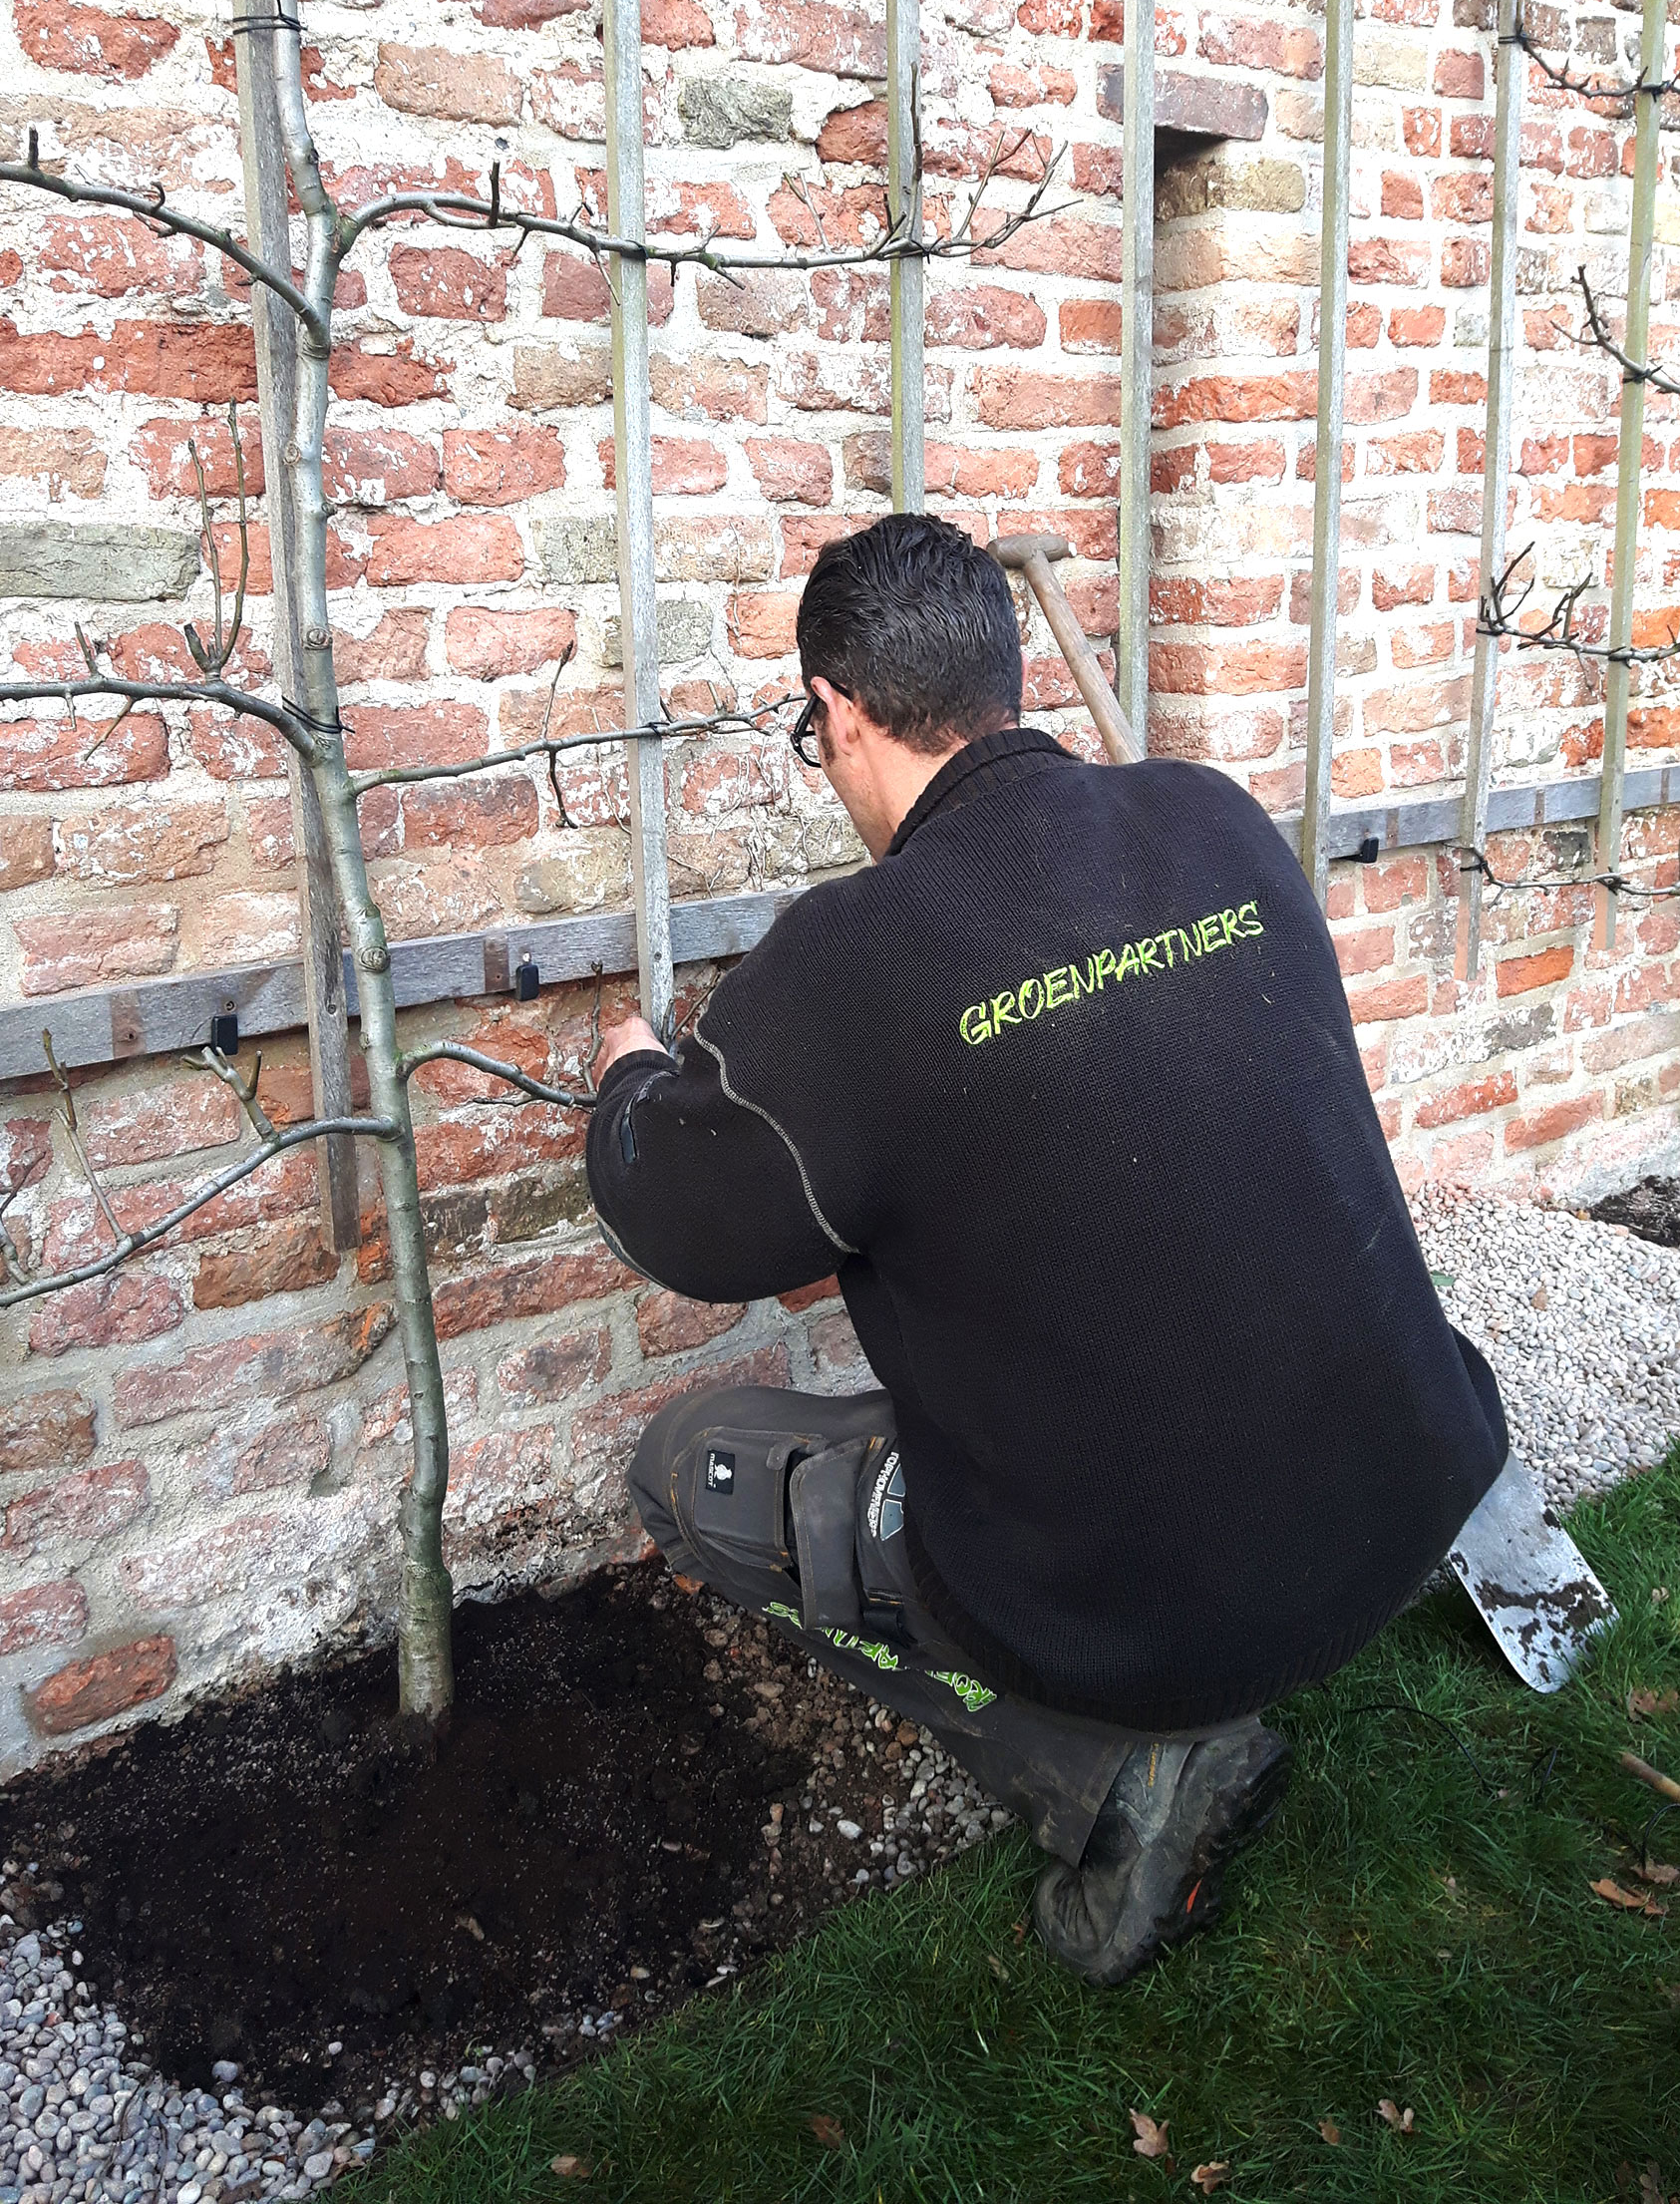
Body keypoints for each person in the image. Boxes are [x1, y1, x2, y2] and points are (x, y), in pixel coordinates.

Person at [582, 513, 1508, 1987]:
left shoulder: (854, 962)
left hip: (1172, 1622)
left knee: (692, 1468)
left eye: (815, 734)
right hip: (1410, 1481)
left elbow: (677, 1219)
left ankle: (1120, 1778)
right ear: (1003, 675)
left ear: (837, 712)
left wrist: (630, 1074)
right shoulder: (1214, 817)